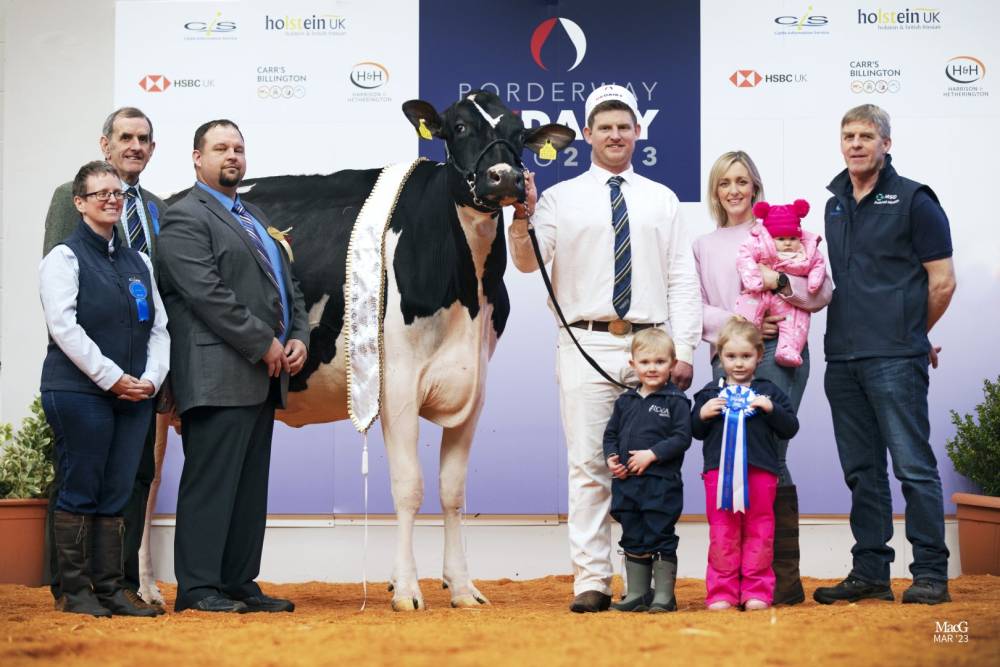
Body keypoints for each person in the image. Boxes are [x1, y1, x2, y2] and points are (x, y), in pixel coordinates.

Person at [509, 85, 702, 613]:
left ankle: (647, 578)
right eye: (605, 127)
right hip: (584, 340)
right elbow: (526, 263)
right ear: (587, 134)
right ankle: (591, 580)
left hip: (650, 345)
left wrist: (684, 347)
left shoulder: (662, 199)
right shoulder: (558, 198)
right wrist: (522, 217)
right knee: (591, 465)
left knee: (653, 467)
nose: (615, 135)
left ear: (638, 132)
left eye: (624, 127)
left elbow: (682, 277)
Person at [156, 119, 309, 613]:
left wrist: (299, 337)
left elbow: (288, 286)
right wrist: (263, 343)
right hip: (217, 374)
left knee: (247, 488)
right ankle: (199, 589)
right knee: (212, 484)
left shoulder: (254, 215)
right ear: (197, 158)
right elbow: (207, 294)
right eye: (220, 148)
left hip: (263, 374)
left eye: (238, 148)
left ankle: (239, 582)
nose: (232, 156)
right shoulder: (183, 216)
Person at [813, 104, 956, 606]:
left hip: (895, 359)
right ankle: (871, 572)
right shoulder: (833, 204)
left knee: (913, 467)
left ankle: (931, 574)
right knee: (862, 471)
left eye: (866, 136)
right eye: (848, 136)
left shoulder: (916, 200)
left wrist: (911, 334)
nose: (856, 144)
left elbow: (943, 282)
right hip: (842, 358)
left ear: (886, 144)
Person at [693, 151, 832, 605]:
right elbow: (694, 308)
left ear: (755, 187)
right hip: (727, 353)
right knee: (733, 458)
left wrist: (779, 284)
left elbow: (822, 292)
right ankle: (736, 581)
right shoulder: (703, 245)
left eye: (741, 181)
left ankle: (779, 579)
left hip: (780, 350)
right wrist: (743, 324)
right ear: (715, 192)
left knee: (770, 455)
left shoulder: (783, 233)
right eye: (724, 183)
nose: (733, 190)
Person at [42, 107, 167, 612]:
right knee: (79, 478)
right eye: (125, 137)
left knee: (129, 482)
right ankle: (70, 587)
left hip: (138, 385)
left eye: (143, 138)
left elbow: (159, 315)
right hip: (84, 380)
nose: (135, 145)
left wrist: (153, 377)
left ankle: (116, 586)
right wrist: (103, 374)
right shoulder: (66, 216)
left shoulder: (156, 209)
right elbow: (62, 313)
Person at [691, 317, 799, 611]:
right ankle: (722, 592)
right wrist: (701, 414)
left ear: (759, 355)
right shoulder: (709, 394)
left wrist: (772, 409)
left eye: (746, 356)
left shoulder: (770, 392)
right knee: (722, 532)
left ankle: (757, 591)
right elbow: (695, 431)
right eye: (731, 356)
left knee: (760, 530)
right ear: (719, 355)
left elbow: (790, 427)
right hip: (718, 476)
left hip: (762, 474)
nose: (738, 363)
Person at [602, 328, 691, 613]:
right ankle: (638, 593)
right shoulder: (625, 401)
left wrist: (652, 455)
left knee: (659, 534)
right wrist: (612, 458)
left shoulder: (676, 400)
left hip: (661, 485)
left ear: (672, 364)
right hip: (627, 484)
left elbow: (682, 438)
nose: (652, 368)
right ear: (633, 364)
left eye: (660, 362)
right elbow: (610, 435)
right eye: (645, 362)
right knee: (632, 534)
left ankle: (664, 596)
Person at [734, 199, 826, 367]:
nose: (788, 243)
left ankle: (787, 349)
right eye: (781, 238)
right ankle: (744, 343)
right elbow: (744, 257)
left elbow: (818, 263)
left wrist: (814, 281)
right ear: (770, 237)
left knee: (796, 320)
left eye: (793, 238)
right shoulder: (759, 244)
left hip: (787, 302)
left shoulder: (806, 251)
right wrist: (753, 278)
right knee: (746, 309)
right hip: (759, 292)